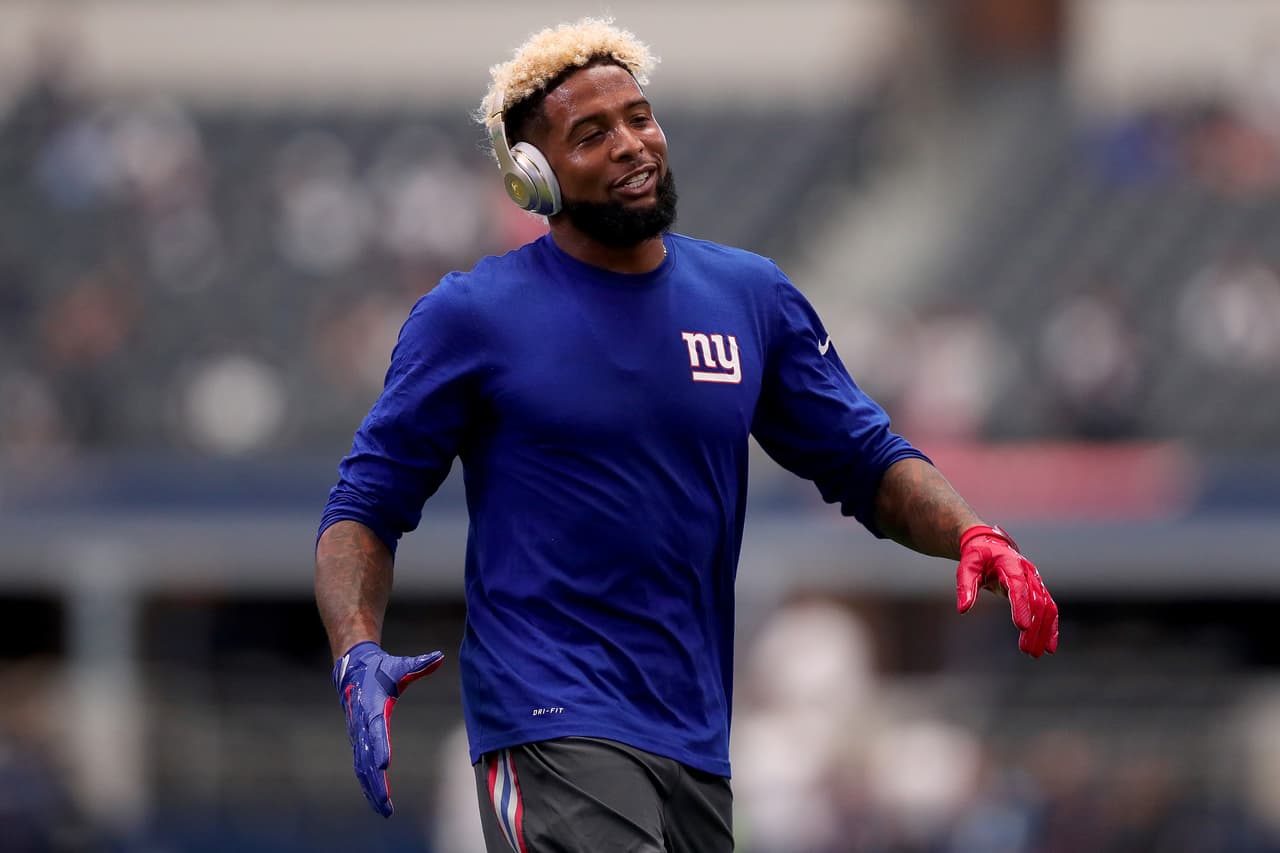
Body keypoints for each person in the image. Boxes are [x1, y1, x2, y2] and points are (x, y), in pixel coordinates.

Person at [314, 17, 1058, 853]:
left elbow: (866, 459)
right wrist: (356, 650)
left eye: (639, 117)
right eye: (591, 134)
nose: (631, 144)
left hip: (696, 739)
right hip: (550, 719)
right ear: (533, 175)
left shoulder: (750, 297)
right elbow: (364, 506)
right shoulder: (472, 315)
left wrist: (971, 532)